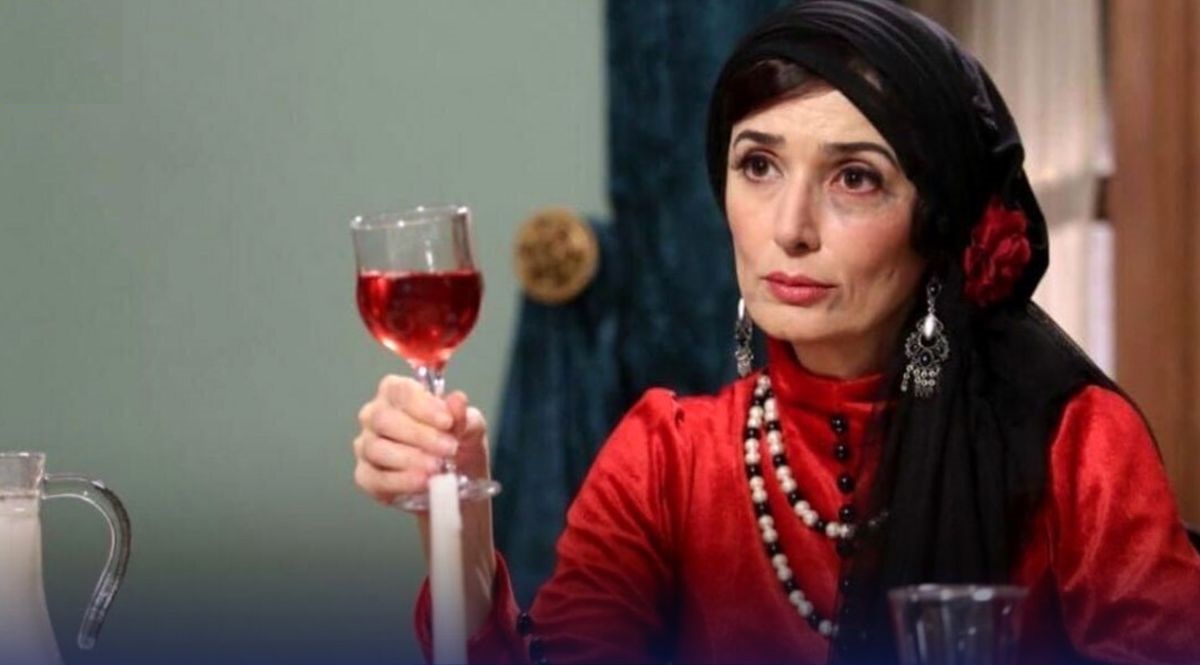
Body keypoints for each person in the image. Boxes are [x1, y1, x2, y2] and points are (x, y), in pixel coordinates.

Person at [350, 1, 1200, 663]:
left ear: (939, 222)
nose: (789, 228)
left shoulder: (1076, 444)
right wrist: (456, 518)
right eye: (758, 165)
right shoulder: (666, 458)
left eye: (855, 178)